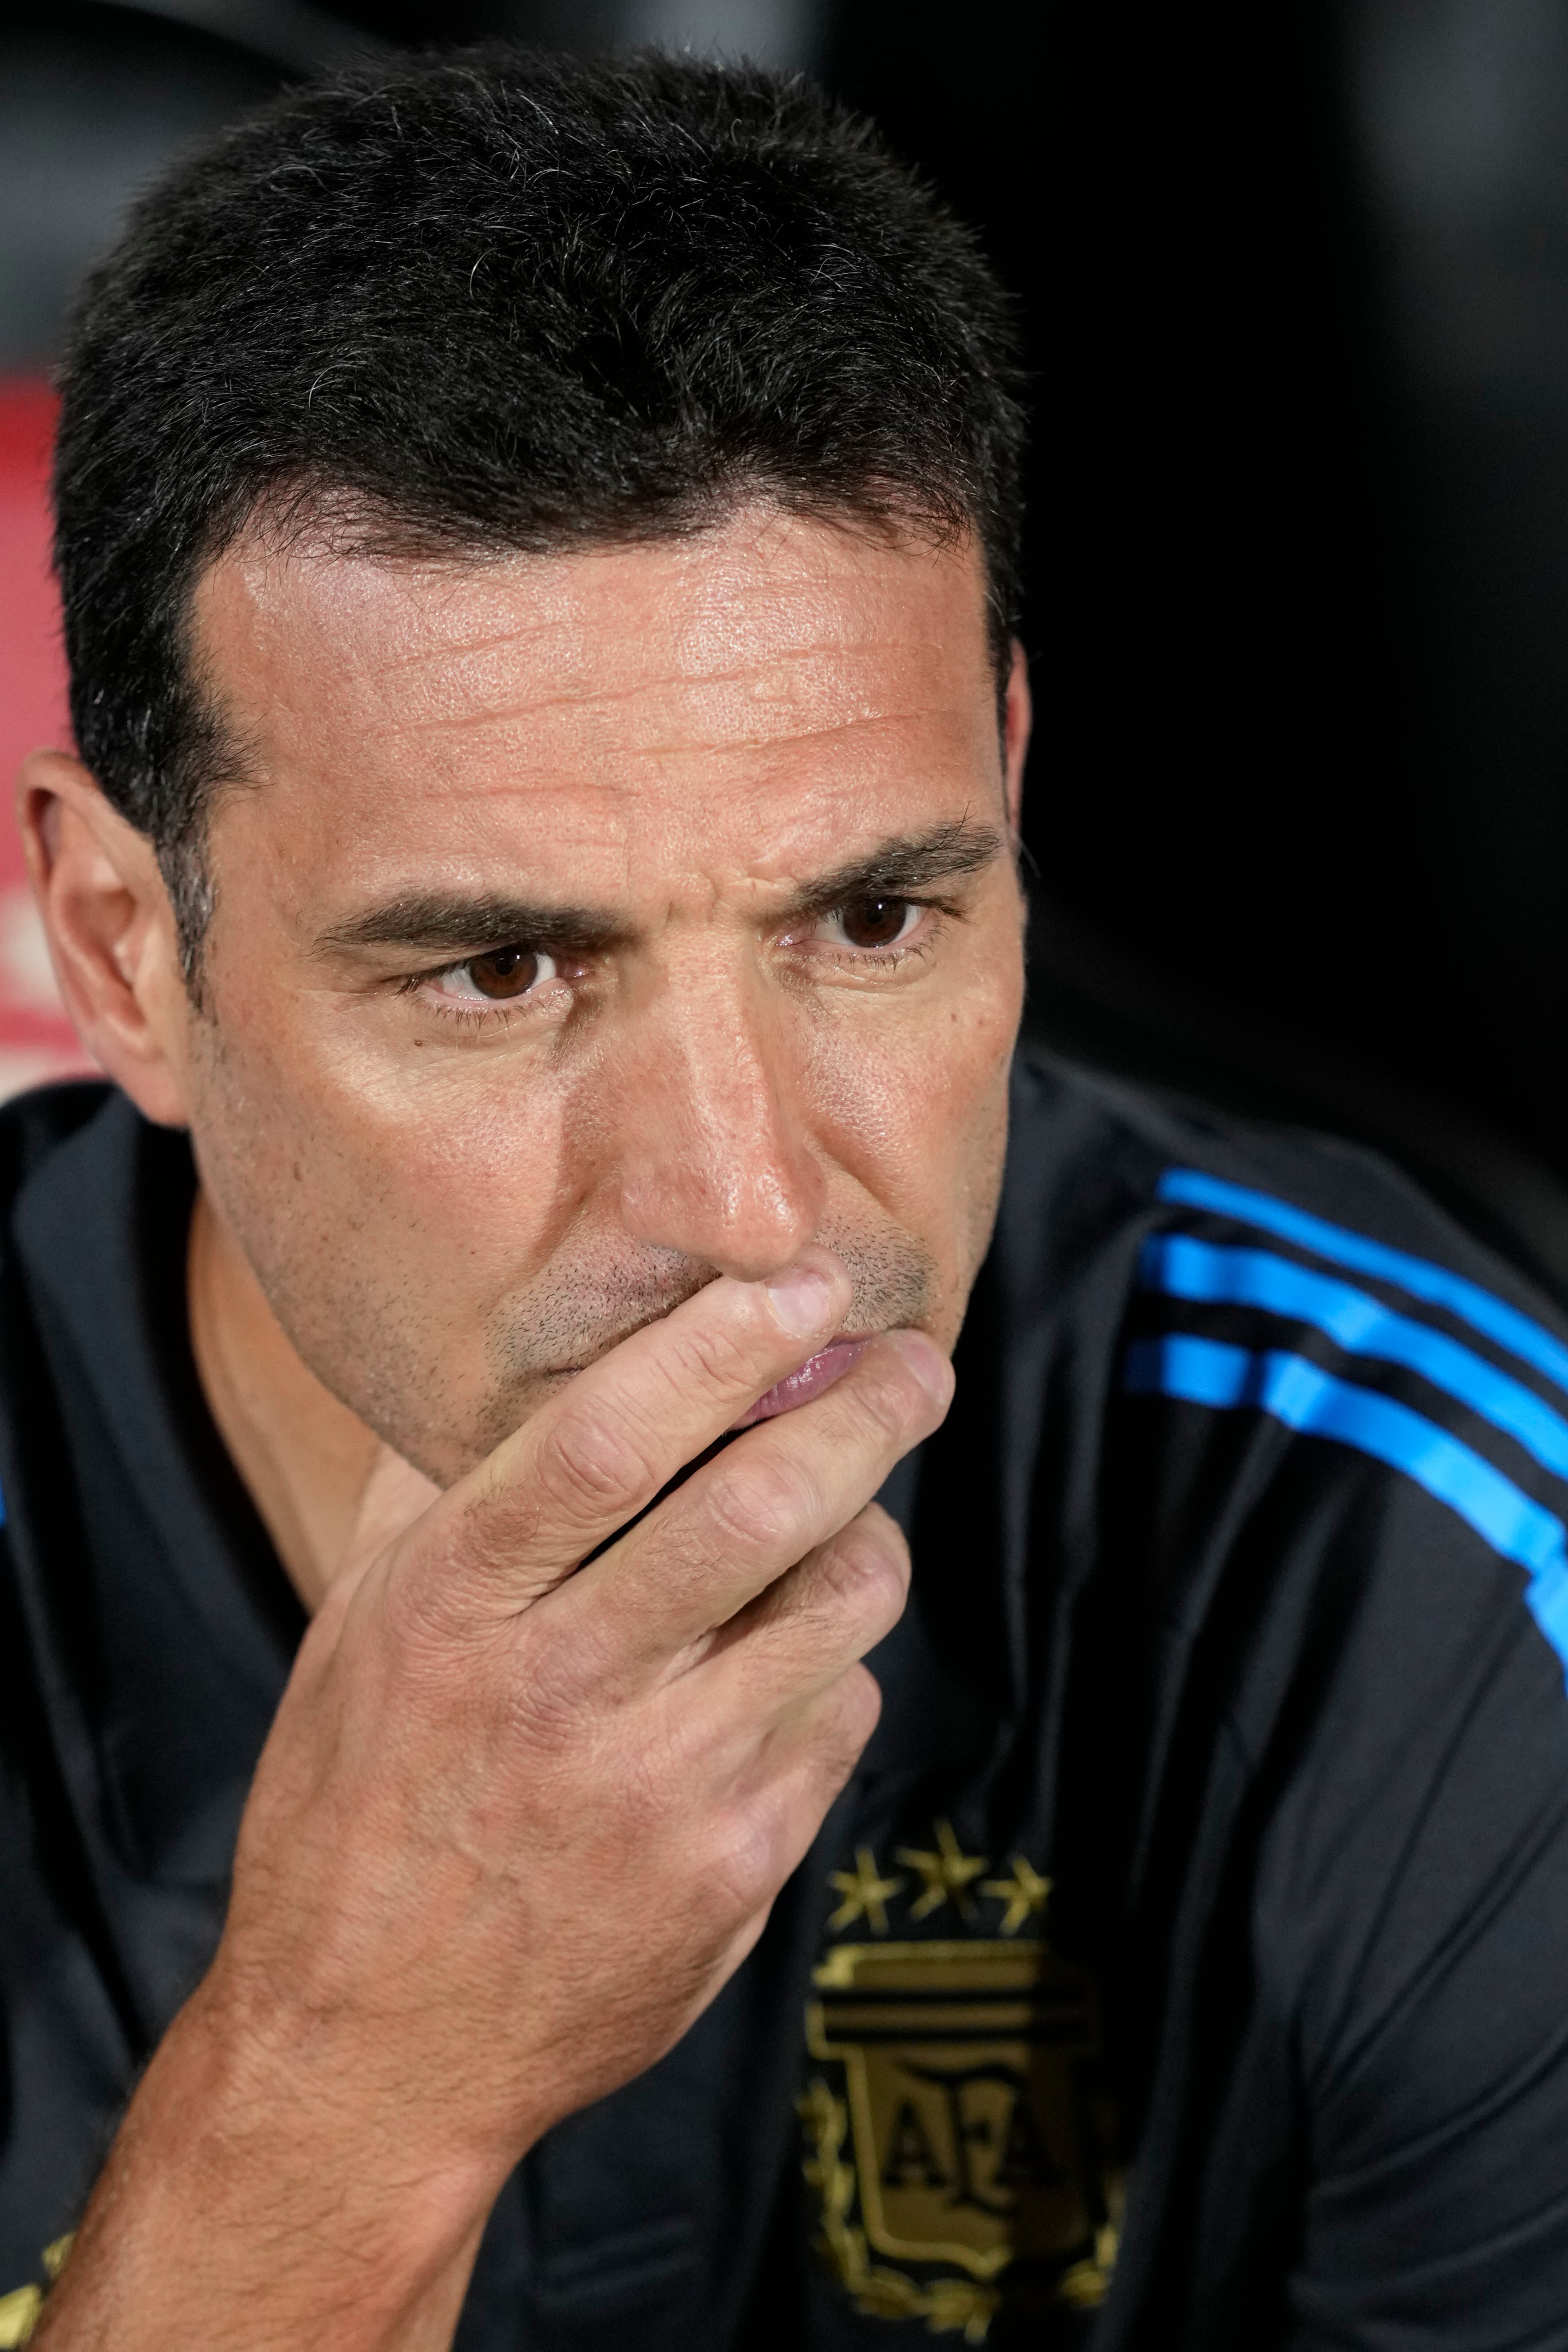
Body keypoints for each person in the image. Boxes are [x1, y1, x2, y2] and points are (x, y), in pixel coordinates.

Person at [2, 42, 1567, 2352]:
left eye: (868, 923)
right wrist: (348, 2096)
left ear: (1011, 790)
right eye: (503, 967)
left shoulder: (1425, 1559)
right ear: (128, 952)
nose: (749, 1207)